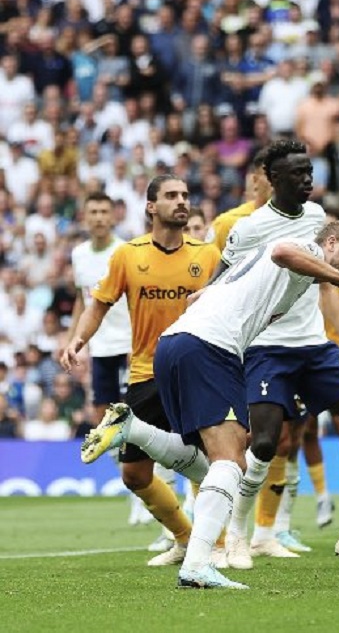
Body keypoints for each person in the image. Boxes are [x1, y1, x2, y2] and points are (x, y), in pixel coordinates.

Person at [80, 218, 339, 589]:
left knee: (204, 460)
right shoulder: (305, 247)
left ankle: (132, 428)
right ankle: (198, 564)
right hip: (210, 348)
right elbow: (284, 251)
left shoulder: (275, 274)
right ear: (331, 243)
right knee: (231, 461)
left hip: (174, 344)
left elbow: (205, 293)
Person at [201, 140, 339, 573]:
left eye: (310, 171)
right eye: (298, 173)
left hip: (313, 343)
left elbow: (324, 281)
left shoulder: (320, 218)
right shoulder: (248, 229)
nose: (308, 180)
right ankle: (239, 537)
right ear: (272, 179)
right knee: (264, 444)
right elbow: (221, 282)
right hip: (266, 346)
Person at [61, 175, 222, 567]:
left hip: (199, 374)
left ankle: (217, 545)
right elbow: (98, 304)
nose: (181, 201)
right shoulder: (128, 256)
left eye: (185, 195)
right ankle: (184, 538)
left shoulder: (210, 255)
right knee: (133, 474)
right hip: (147, 373)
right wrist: (78, 340)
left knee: (216, 461)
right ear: (151, 207)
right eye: (171, 196)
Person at [204, 147, 273, 252]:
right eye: (270, 175)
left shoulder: (301, 219)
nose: (277, 182)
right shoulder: (226, 224)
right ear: (255, 180)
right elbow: (209, 264)